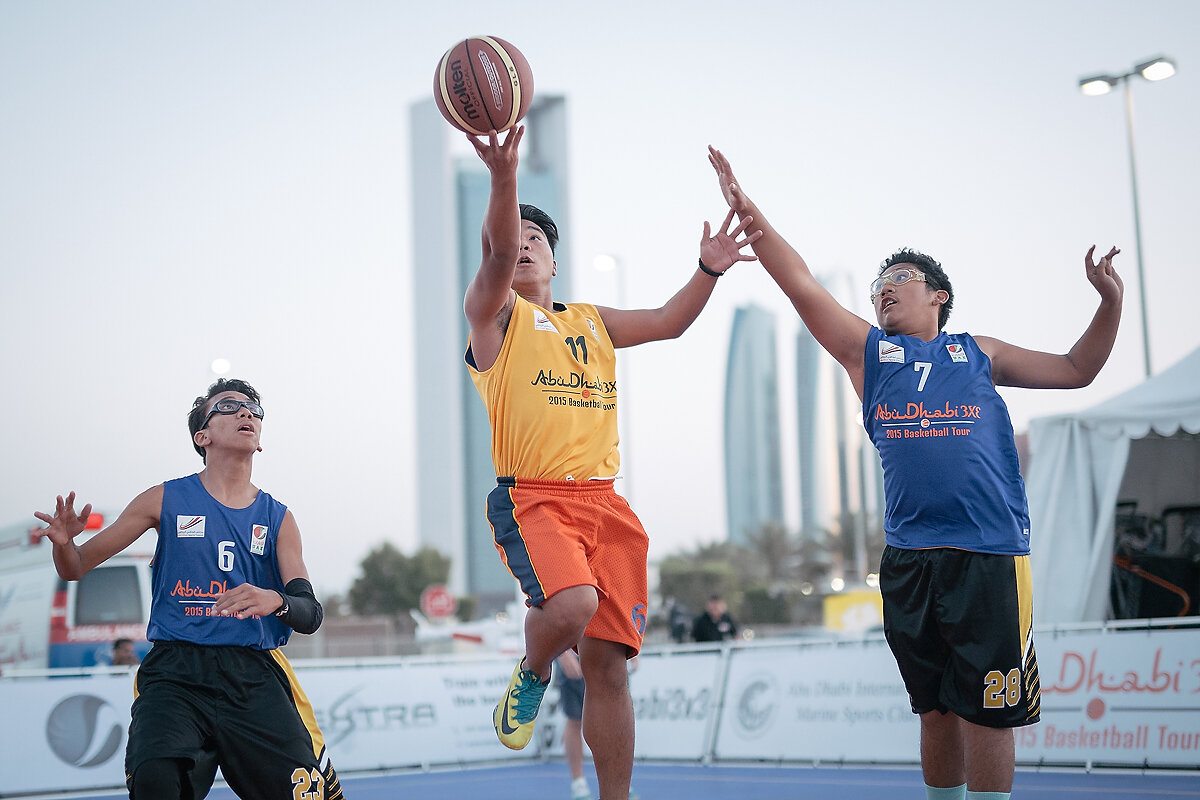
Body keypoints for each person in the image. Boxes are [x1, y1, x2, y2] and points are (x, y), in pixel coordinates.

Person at [708, 146, 1123, 800]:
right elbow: (801, 283)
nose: (883, 289)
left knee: (988, 712)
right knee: (933, 710)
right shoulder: (870, 356)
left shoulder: (979, 353)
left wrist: (1109, 304)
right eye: (877, 286)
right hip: (909, 559)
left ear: (938, 297)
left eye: (898, 277)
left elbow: (1078, 369)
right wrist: (748, 207)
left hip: (987, 555)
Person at [465, 126, 761, 800]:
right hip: (534, 497)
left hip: (604, 502)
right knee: (571, 604)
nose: (523, 248)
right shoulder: (494, 318)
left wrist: (709, 269)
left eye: (539, 241)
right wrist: (505, 175)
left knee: (608, 669)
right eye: (514, 242)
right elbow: (501, 245)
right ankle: (534, 666)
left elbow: (669, 320)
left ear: (557, 264)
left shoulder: (591, 322)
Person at [35, 378, 343, 800]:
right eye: (230, 406)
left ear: (260, 441)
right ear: (203, 436)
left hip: (251, 675)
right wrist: (65, 545)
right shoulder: (163, 499)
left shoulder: (278, 518)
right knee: (155, 783)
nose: (246, 412)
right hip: (177, 674)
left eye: (253, 409)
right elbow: (75, 568)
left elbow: (310, 614)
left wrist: (276, 600)